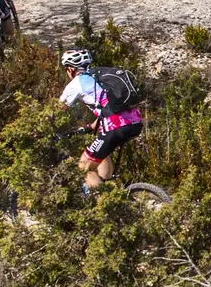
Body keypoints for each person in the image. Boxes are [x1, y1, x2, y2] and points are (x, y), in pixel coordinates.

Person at [58, 48, 146, 197]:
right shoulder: (100, 76)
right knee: (101, 154)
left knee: (84, 167)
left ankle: (106, 206)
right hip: (135, 123)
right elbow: (108, 106)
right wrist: (90, 127)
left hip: (115, 127)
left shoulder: (76, 83)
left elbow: (54, 112)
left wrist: (40, 128)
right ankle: (108, 187)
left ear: (71, 69)